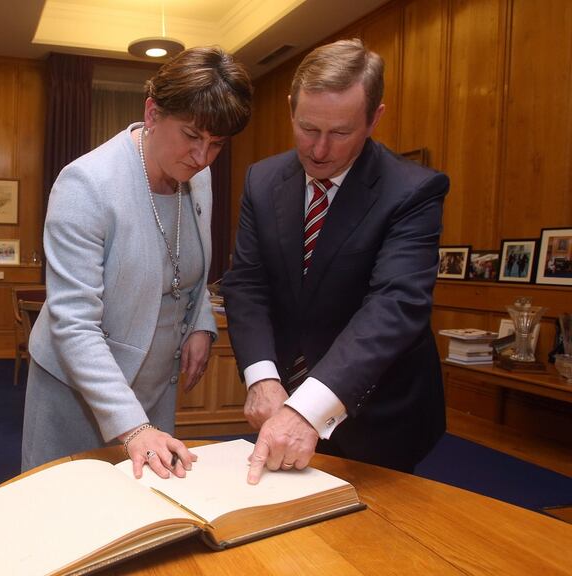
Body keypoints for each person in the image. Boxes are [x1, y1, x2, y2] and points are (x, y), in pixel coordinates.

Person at [222, 38, 450, 484]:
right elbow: (247, 283)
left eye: (340, 133)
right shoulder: (262, 180)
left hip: (379, 412)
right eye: (308, 128)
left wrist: (308, 407)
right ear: (291, 109)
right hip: (282, 401)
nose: (319, 150)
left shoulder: (413, 191)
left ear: (374, 119)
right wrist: (262, 377)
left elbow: (395, 305)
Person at [22, 46, 253, 479]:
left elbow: (185, 262)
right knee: (70, 514)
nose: (203, 157)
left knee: (146, 516)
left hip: (155, 385)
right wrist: (133, 426)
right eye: (191, 136)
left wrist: (200, 321)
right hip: (80, 389)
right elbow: (73, 322)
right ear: (152, 113)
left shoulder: (197, 176)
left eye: (216, 144)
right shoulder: (86, 185)